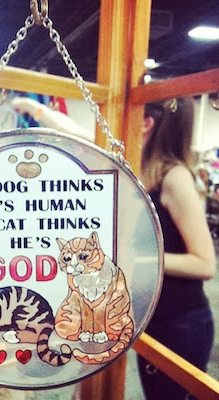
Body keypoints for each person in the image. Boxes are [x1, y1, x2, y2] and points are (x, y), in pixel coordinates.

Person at [137, 97, 216, 400]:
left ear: (147, 124)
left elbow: (205, 263)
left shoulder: (175, 177)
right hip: (155, 317)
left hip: (181, 322)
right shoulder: (149, 175)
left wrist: (139, 259)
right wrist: (32, 108)